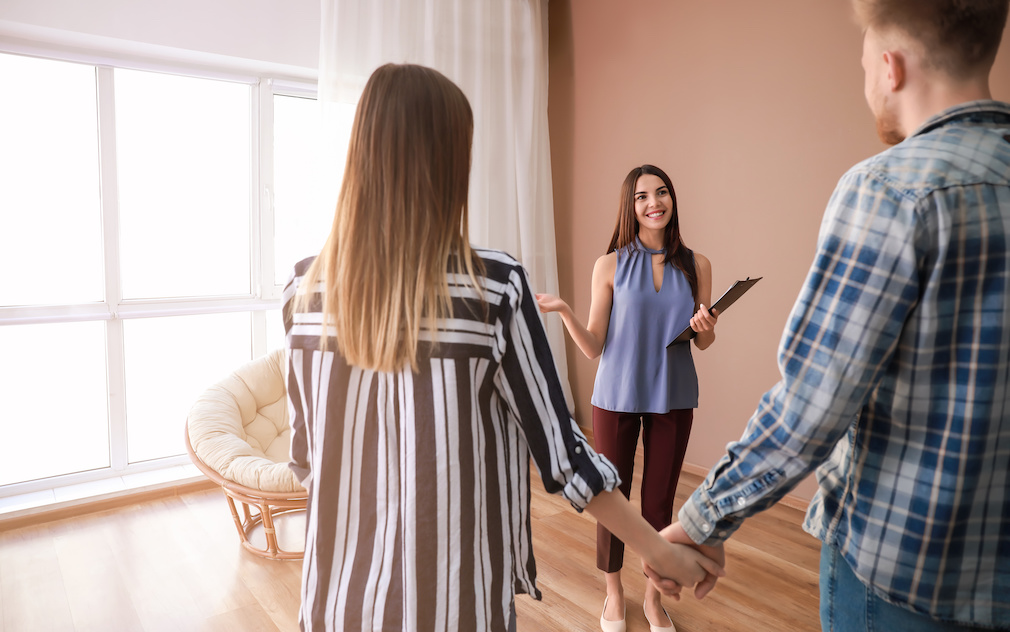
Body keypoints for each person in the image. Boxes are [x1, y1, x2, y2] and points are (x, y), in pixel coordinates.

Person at [282, 63, 723, 632]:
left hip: (331, 601)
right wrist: (662, 554)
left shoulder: (303, 291)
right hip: (454, 599)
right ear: (447, 161)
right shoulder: (492, 287)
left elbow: (306, 458)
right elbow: (562, 456)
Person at [650, 1, 1010, 630]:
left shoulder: (889, 190)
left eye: (864, 58)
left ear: (890, 68)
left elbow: (814, 401)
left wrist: (706, 517)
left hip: (902, 575)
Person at [537, 164, 719, 632]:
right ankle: (613, 594)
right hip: (615, 395)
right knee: (611, 497)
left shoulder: (697, 265)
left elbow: (702, 344)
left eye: (661, 193)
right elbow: (595, 345)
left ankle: (655, 601)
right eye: (642, 196)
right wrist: (562, 311)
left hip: (674, 395)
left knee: (659, 504)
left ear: (672, 200)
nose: (653, 202)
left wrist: (708, 328)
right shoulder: (611, 264)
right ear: (630, 206)